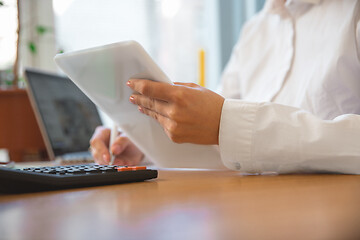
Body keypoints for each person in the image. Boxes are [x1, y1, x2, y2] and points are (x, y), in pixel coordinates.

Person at [90, 0, 360, 174]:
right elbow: (213, 135)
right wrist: (146, 143)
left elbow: (225, 124)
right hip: (252, 208)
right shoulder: (254, 30)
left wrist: (226, 124)